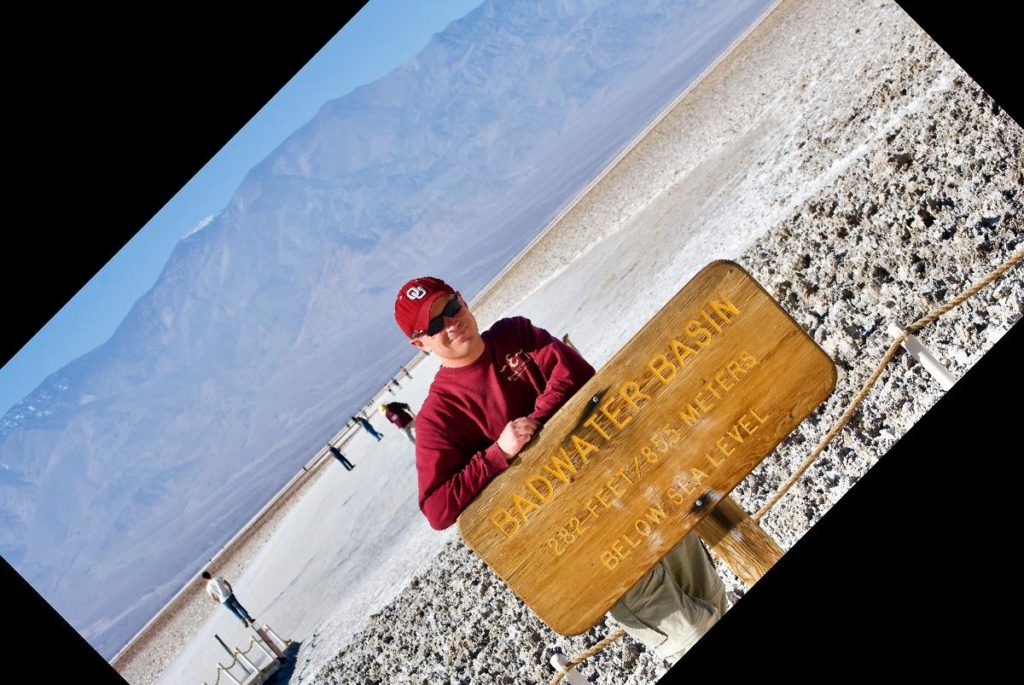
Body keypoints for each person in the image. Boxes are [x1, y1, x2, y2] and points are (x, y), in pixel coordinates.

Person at [393, 276, 726, 664]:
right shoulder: (439, 416)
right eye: (434, 325)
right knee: (689, 634)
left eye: (450, 307)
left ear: (463, 300)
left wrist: (532, 429)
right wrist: (497, 454)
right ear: (420, 343)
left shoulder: (514, 334)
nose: (451, 323)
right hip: (585, 542)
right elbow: (436, 507)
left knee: (713, 600)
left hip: (642, 491)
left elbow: (575, 373)